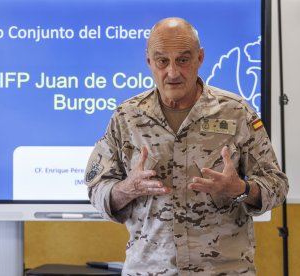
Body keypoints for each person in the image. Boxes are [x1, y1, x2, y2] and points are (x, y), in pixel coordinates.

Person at [84, 17, 288, 275]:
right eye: (162, 61)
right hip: (148, 269)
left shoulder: (237, 113)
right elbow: (97, 189)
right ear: (149, 62)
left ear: (200, 58)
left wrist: (241, 188)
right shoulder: (126, 118)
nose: (173, 72)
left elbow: (277, 185)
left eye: (183, 59)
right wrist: (127, 188)